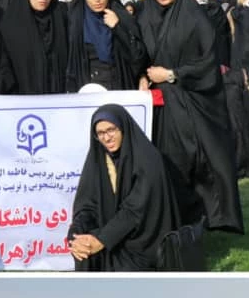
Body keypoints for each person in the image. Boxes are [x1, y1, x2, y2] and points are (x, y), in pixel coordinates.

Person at [137, 0, 244, 234]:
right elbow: (139, 54)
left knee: (192, 161)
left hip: (190, 104)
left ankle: (195, 225)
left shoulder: (195, 18)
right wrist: (142, 76)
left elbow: (208, 63)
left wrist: (172, 74)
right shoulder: (146, 17)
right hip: (157, 106)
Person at [67, 105, 183, 271]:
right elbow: (86, 206)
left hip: (143, 241)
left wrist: (102, 240)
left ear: (123, 128)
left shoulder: (148, 160)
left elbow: (136, 211)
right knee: (84, 251)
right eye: (100, 133)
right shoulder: (98, 159)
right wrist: (75, 236)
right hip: (114, 233)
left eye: (111, 130)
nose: (107, 138)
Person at [66, 0, 147, 91]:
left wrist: (117, 27)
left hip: (119, 89)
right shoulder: (75, 21)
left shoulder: (123, 17)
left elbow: (138, 57)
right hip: (87, 92)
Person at [0, 0, 68, 94]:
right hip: (24, 100)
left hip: (59, 99)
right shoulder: (10, 26)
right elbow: (5, 70)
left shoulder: (61, 20)